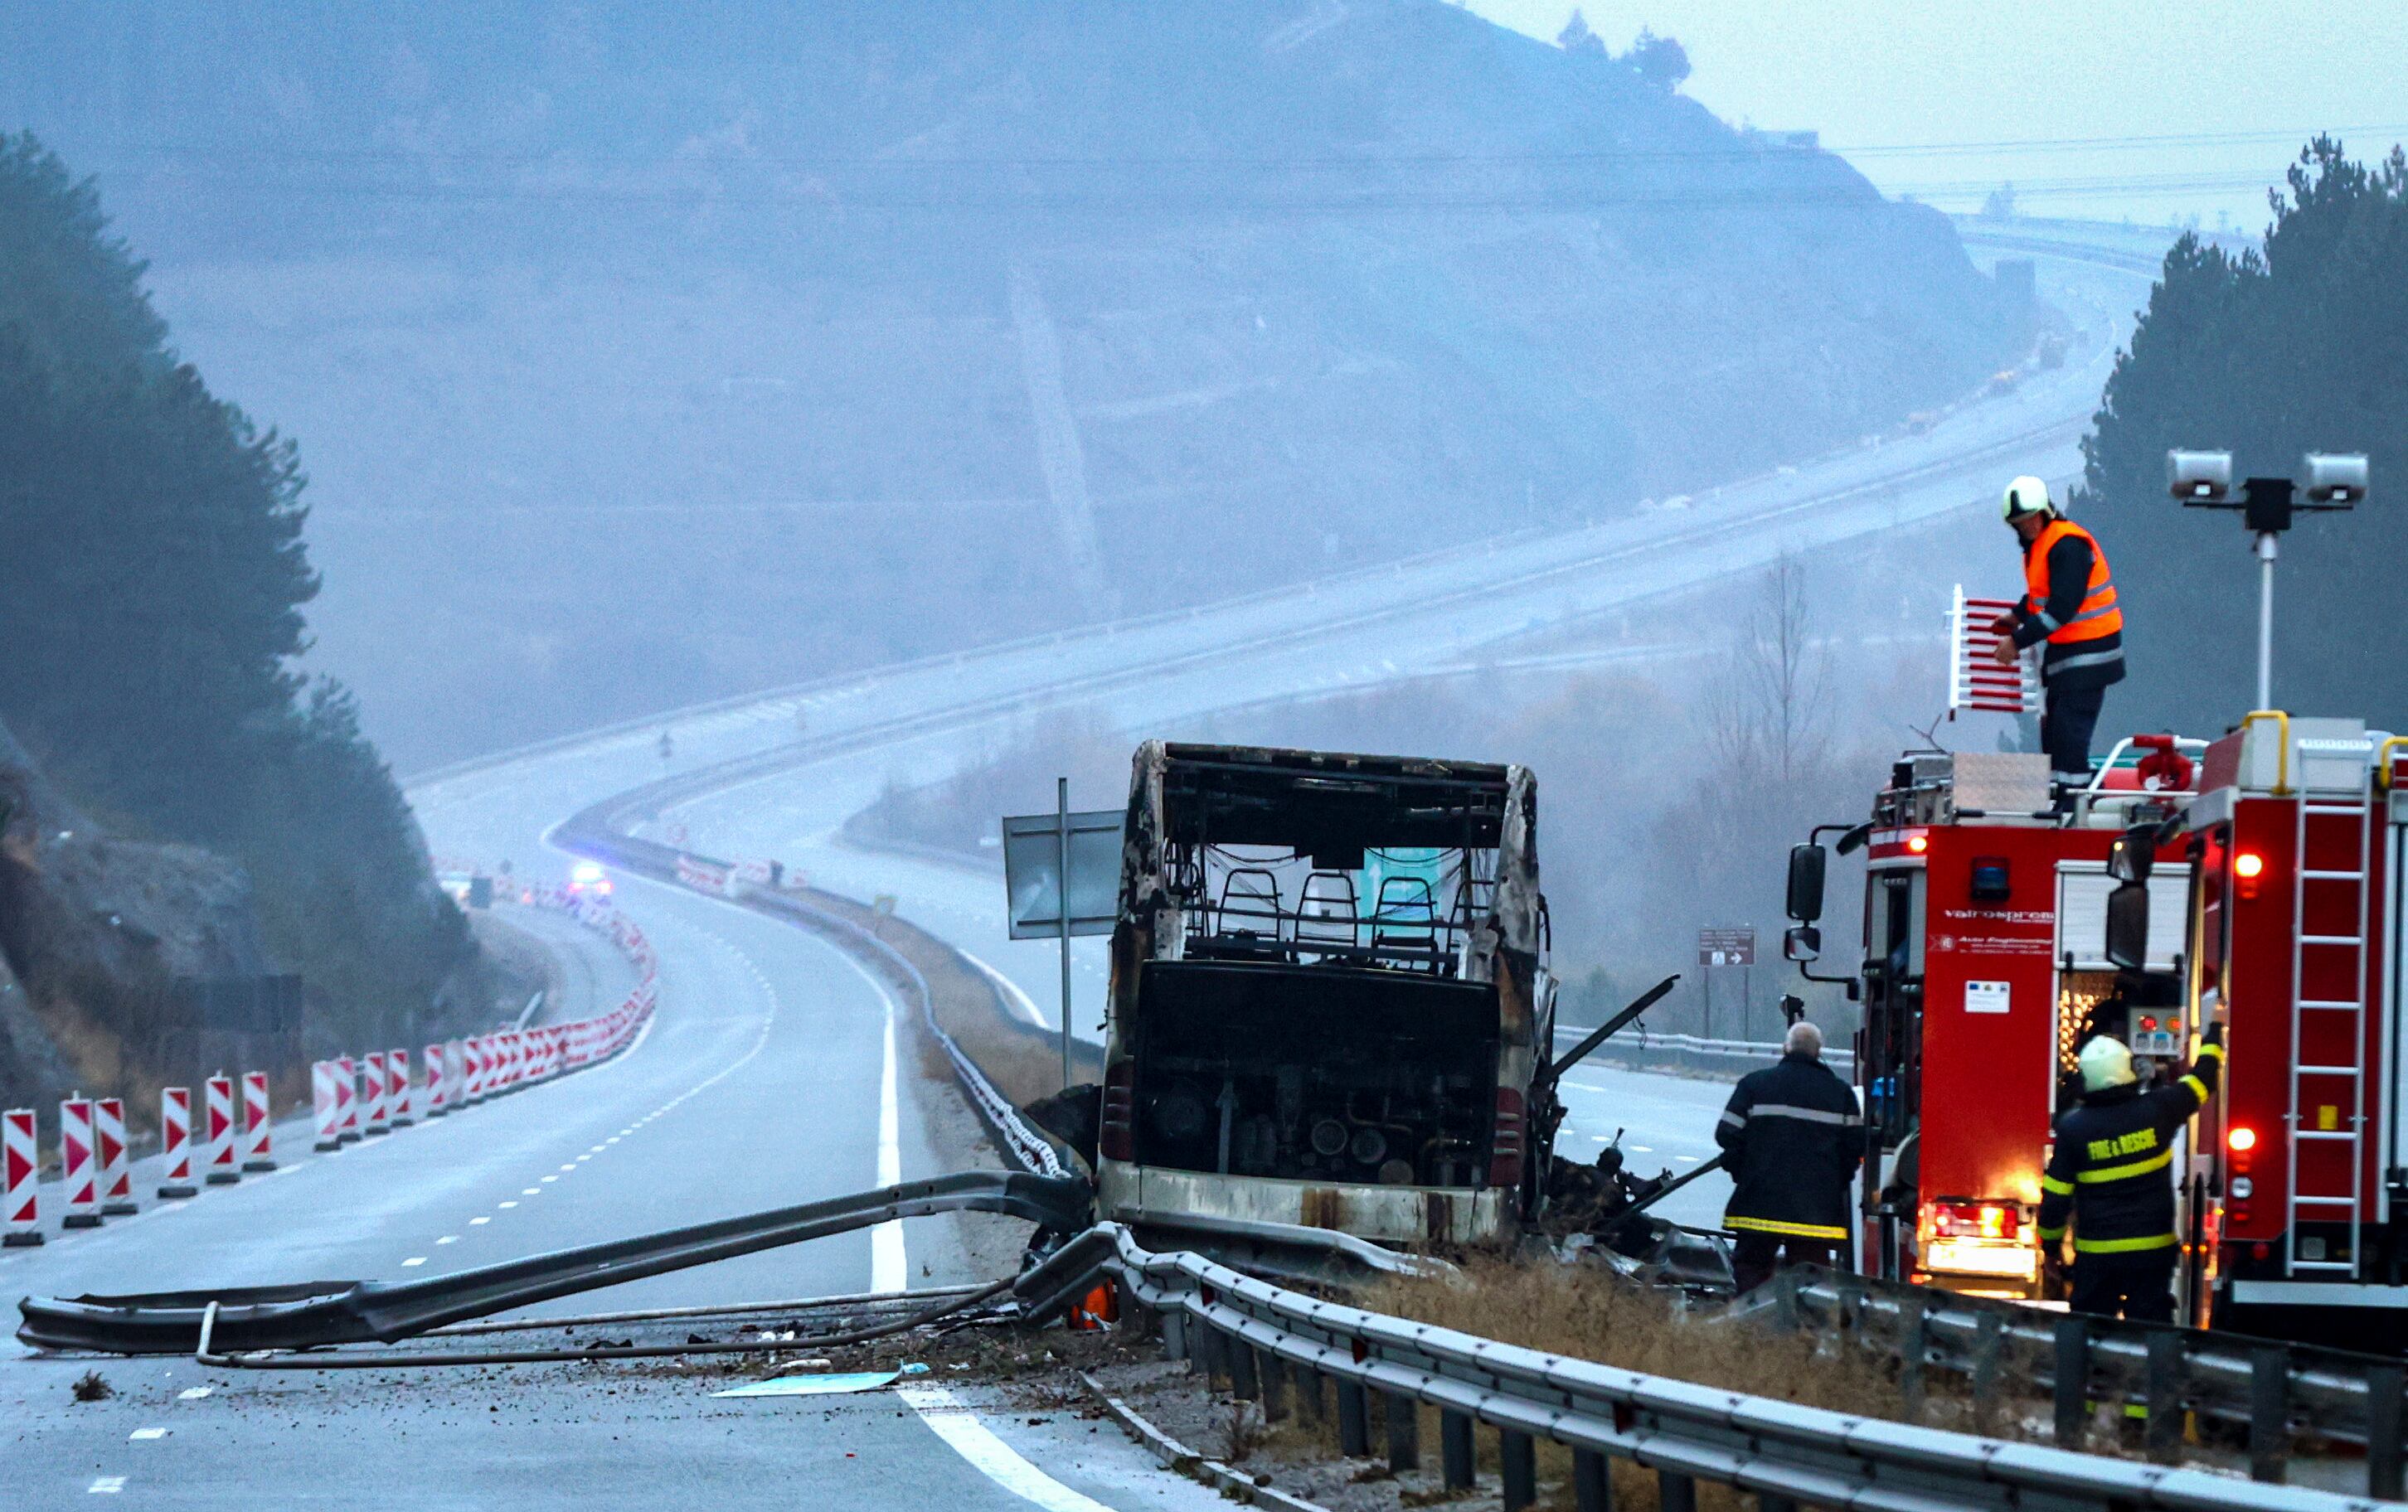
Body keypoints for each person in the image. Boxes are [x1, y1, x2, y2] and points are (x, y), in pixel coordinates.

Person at [2037, 1023, 2226, 1321]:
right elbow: (2203, 1081)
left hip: (2097, 1258)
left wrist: (2050, 1248)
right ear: (2129, 1071)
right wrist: (2214, 1035)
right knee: (2152, 1331)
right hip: (2152, 1254)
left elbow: (2056, 1199)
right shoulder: (2159, 1109)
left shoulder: (2074, 1130)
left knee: (2091, 1332)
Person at [1986, 476, 2125, 792]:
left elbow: (2061, 609)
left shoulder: (2067, 545)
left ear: (2045, 513)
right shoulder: (2043, 546)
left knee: (2070, 735)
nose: (2026, 527)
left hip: (2091, 654)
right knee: (2056, 735)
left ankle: (2071, 802)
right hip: (2070, 656)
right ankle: (2061, 795)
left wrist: (2016, 641)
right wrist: (2017, 615)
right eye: (2019, 523)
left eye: (2030, 519)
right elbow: (2042, 597)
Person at [1715, 1020, 1863, 1292]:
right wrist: (1832, 1184)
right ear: (1818, 1052)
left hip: (1759, 1204)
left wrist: (1743, 1172)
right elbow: (1854, 1149)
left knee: (1751, 1270)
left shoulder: (1754, 1085)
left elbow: (1727, 1135)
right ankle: (1802, 1330)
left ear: (1785, 1048)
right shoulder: (1841, 1094)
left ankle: (1751, 1326)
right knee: (1810, 1282)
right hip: (1815, 1211)